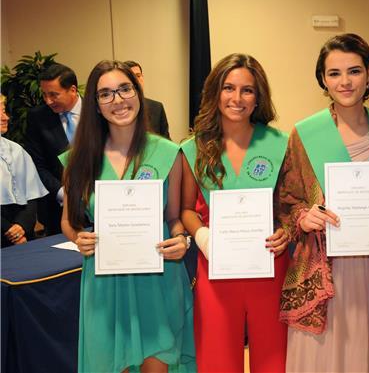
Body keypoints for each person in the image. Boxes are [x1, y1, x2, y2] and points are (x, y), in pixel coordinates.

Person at [279, 33, 369, 372]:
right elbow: (287, 201)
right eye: (334, 73)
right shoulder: (304, 133)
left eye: (354, 71)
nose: (344, 81)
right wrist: (304, 218)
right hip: (325, 270)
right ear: (323, 79)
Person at [60, 60, 195, 372]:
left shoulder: (169, 153)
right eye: (105, 94)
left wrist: (181, 239)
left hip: (158, 277)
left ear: (138, 91)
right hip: (105, 280)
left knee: (159, 363)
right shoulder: (79, 159)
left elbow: (174, 217)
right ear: (95, 104)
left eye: (124, 89)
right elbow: (68, 221)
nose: (118, 100)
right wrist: (77, 237)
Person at [180, 53, 289, 372]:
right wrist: (202, 236)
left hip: (269, 265)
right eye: (229, 88)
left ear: (259, 97)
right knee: (216, 359)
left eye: (247, 90)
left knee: (275, 359)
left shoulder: (281, 143)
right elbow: (186, 209)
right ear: (215, 93)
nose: (237, 98)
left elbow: (290, 204)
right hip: (216, 266)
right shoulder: (193, 148)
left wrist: (285, 229)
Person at [25, 63, 80, 235]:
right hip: (58, 209)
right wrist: (62, 192)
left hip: (101, 204)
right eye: (44, 95)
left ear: (72, 90)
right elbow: (36, 164)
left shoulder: (98, 111)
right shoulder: (38, 118)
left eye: (54, 95)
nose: (48, 101)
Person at [1, 94, 48, 247]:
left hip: (23, 234)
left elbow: (31, 195)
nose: (6, 117)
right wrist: (9, 231)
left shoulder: (16, 150)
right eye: (0, 113)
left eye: (4, 111)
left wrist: (22, 227)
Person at [123, 60, 171, 139]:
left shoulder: (157, 107)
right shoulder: (120, 109)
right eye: (131, 77)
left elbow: (166, 141)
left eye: (138, 76)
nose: (136, 80)